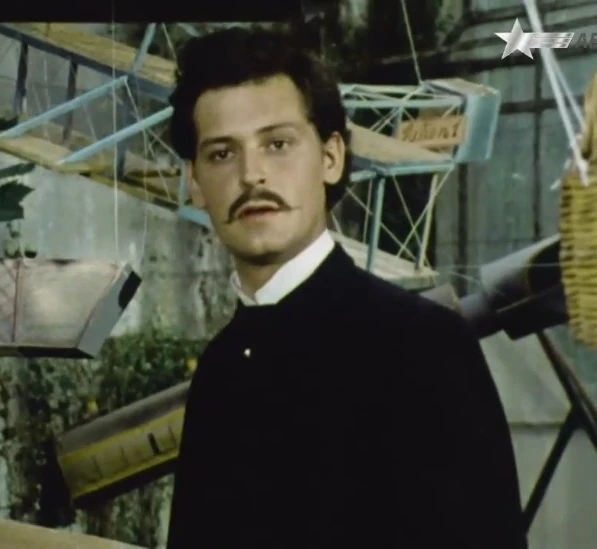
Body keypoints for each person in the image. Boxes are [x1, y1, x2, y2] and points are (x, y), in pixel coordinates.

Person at [165, 27, 527, 549]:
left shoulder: (422, 345)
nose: (251, 175)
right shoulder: (219, 370)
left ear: (330, 158)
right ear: (195, 183)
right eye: (222, 154)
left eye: (278, 144)